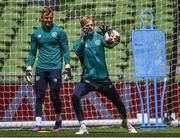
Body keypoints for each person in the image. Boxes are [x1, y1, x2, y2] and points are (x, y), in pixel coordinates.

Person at [72, 16, 137, 135]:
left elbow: (111, 45)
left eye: (91, 25)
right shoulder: (78, 42)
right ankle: (82, 126)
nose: (90, 27)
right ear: (82, 28)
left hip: (103, 80)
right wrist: (83, 40)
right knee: (75, 96)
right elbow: (78, 52)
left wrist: (110, 36)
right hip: (87, 79)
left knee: (118, 102)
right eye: (87, 26)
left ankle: (125, 122)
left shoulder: (99, 38)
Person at [25, 6, 72, 132]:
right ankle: (38, 123)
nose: (48, 20)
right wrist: (29, 67)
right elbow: (32, 53)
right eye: (46, 18)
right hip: (40, 68)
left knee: (55, 96)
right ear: (41, 18)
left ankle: (58, 119)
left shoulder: (60, 32)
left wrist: (67, 66)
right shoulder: (36, 34)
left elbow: (66, 50)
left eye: (51, 18)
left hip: (55, 69)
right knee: (39, 96)